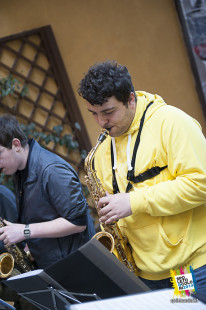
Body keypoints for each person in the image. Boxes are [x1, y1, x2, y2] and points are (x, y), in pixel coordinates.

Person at [78, 60, 206, 295]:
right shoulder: (103, 148)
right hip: (144, 274)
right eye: (93, 114)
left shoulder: (172, 122)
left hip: (184, 268)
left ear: (131, 99)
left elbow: (201, 183)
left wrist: (132, 202)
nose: (101, 123)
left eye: (108, 112)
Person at [0, 115, 95, 272]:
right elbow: (44, 216)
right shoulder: (20, 171)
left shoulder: (52, 169)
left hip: (78, 268)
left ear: (16, 144)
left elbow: (78, 222)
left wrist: (24, 231)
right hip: (58, 267)